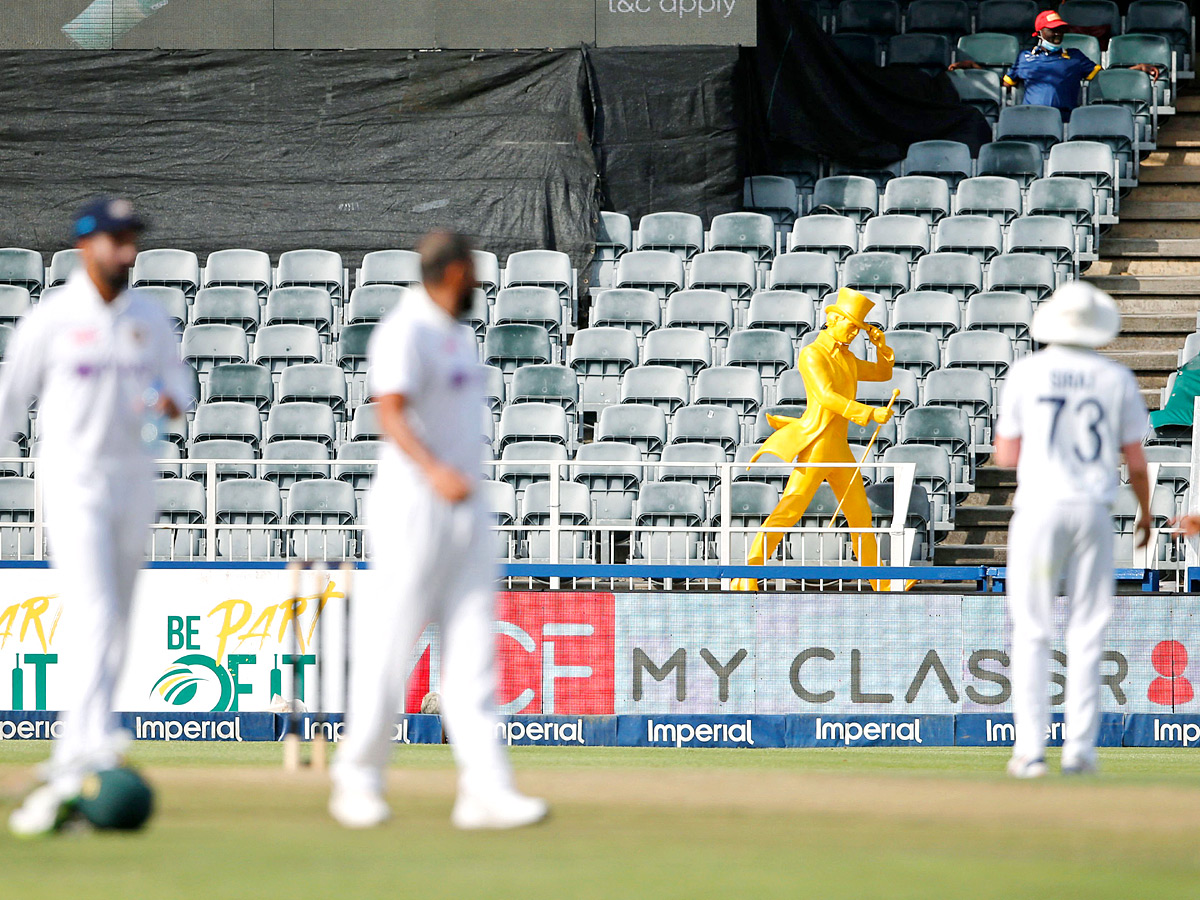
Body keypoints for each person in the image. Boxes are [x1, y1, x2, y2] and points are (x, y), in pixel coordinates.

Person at [329, 232, 547, 831]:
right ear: (451, 272)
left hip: (466, 509)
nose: (479, 281)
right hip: (412, 507)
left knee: (475, 654)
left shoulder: (457, 335)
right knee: (391, 647)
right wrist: (434, 471)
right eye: (472, 270)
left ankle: (485, 790)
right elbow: (389, 411)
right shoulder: (407, 329)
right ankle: (357, 778)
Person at [4, 197, 193, 836]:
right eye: (115, 240)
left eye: (132, 239)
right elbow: (10, 401)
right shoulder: (54, 318)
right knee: (95, 612)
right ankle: (82, 751)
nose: (127, 252)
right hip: (73, 481)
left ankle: (91, 743)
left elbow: (180, 388)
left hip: (134, 480)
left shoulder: (148, 317)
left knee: (119, 616)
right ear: (86, 246)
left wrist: (171, 400)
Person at [994, 281, 1150, 778]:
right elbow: (1137, 460)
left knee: (1033, 630)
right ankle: (1080, 749)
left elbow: (1006, 455)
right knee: (1088, 630)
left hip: (1040, 507)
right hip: (1092, 508)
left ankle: (1029, 752)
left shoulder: (1027, 373)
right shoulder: (1115, 377)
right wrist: (1145, 512)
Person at [730, 288, 895, 592]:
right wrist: (870, 413)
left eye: (858, 329)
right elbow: (825, 396)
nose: (855, 332)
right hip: (818, 445)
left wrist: (881, 347)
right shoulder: (812, 354)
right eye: (851, 326)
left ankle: (882, 581)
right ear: (832, 319)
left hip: (840, 449)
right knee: (789, 509)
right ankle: (745, 574)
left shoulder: (848, 358)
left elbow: (883, 374)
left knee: (861, 514)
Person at [950, 10, 1159, 121]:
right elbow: (1003, 84)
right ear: (1040, 33)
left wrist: (1137, 69)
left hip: (1064, 119)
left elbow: (1103, 78)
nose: (1058, 33)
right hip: (1031, 119)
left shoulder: (1075, 57)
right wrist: (973, 66)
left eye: (1061, 29)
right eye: (1052, 30)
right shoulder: (1025, 57)